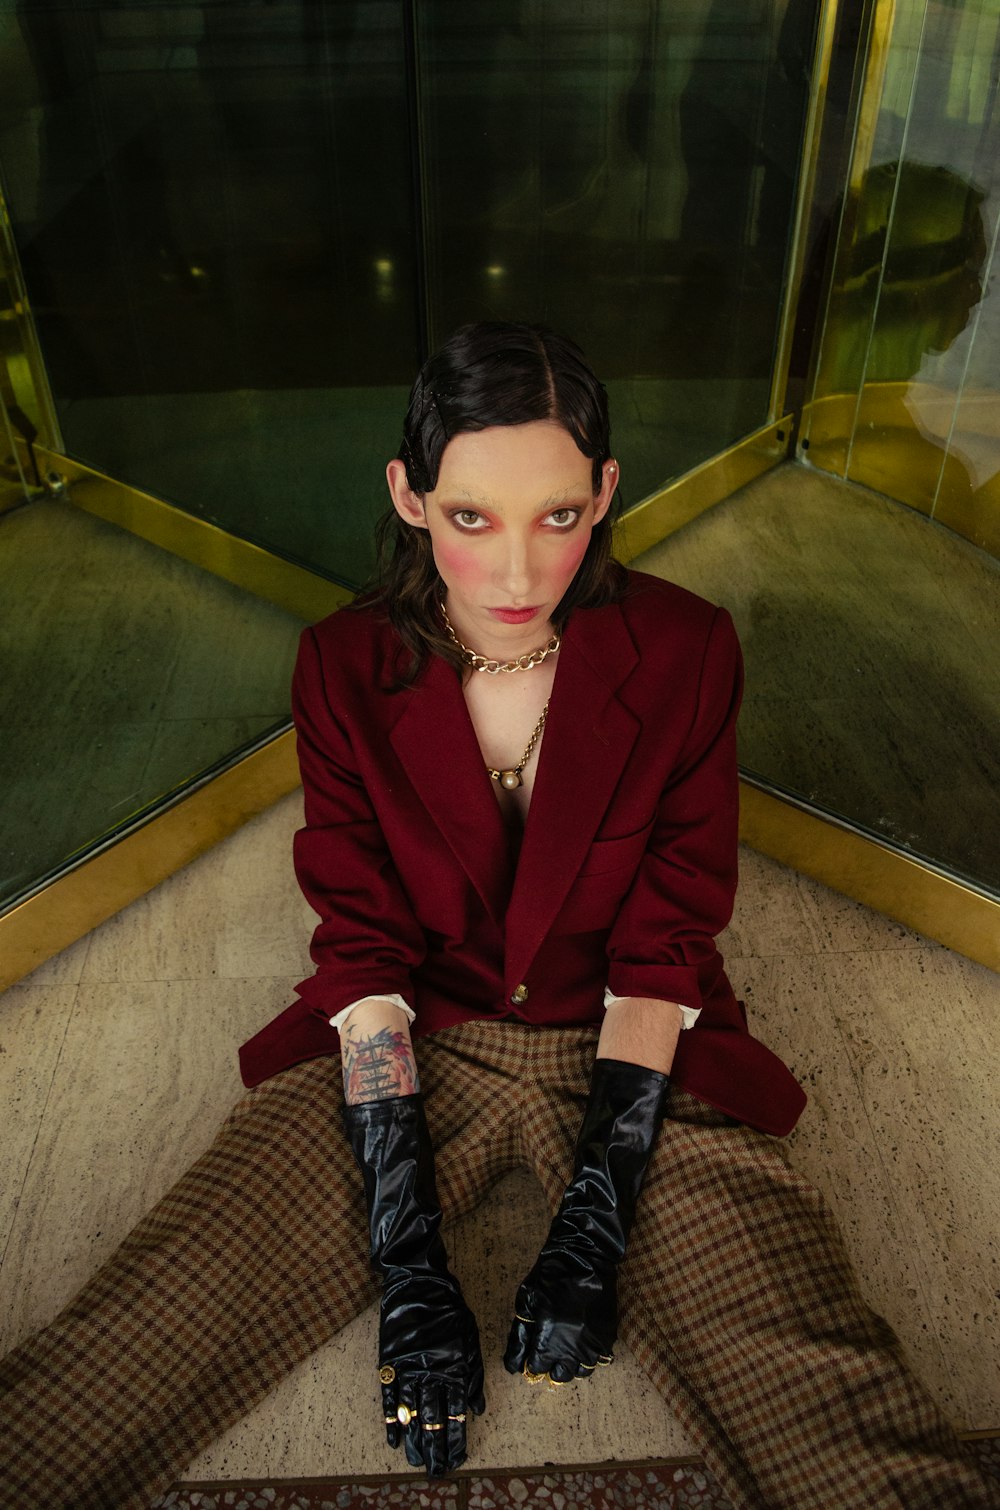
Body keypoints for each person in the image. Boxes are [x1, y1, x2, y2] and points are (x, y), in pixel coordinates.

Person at [0, 322, 996, 1509]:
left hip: (640, 1046)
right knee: (108, 1364)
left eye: (559, 517)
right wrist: (409, 1250)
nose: (519, 574)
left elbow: (667, 935)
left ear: (605, 493)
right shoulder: (340, 664)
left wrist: (596, 1211)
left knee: (836, 1427)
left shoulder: (685, 651)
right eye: (472, 517)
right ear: (410, 499)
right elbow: (360, 943)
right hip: (408, 1028)